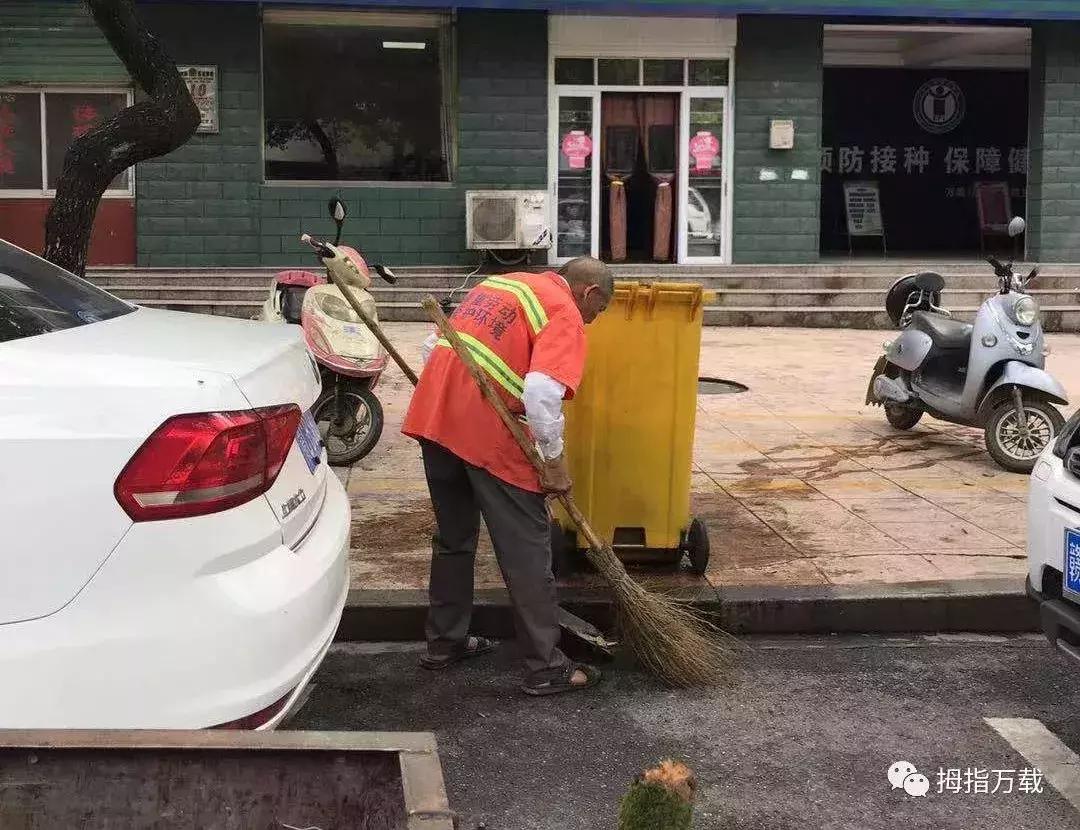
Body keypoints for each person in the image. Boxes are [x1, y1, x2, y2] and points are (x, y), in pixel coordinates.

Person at [402, 256, 614, 696]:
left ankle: (445, 643)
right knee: (527, 552)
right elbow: (541, 391)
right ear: (589, 292)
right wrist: (554, 460)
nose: (593, 320)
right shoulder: (564, 311)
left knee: (454, 541)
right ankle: (546, 667)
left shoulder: (502, 285)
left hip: (435, 421)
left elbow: (430, 348)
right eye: (600, 309)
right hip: (488, 436)